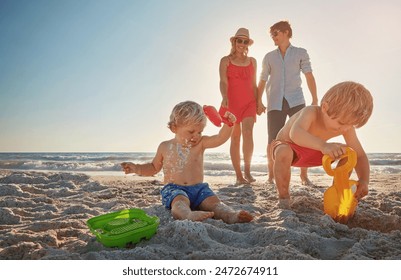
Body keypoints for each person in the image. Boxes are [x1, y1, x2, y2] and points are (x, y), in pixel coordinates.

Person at [121, 101, 253, 224]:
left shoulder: (201, 143)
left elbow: (220, 138)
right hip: (175, 189)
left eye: (200, 131)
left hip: (199, 189)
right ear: (174, 128)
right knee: (179, 204)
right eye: (191, 131)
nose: (196, 136)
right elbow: (153, 167)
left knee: (215, 203)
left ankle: (230, 215)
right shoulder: (165, 147)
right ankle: (188, 215)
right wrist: (136, 168)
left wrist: (228, 125)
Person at [270, 81, 373, 208]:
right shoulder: (310, 112)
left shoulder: (346, 127)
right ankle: (284, 197)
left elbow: (360, 155)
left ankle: (337, 191)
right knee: (283, 151)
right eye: (341, 123)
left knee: (349, 152)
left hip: (315, 152)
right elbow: (295, 134)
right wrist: (324, 146)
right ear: (325, 108)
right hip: (290, 147)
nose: (345, 129)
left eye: (350, 125)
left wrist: (364, 180)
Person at [257, 20, 318, 185]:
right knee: (273, 139)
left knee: (304, 136)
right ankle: (271, 176)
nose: (273, 37)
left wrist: (314, 99)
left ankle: (304, 176)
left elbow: (309, 76)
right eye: (272, 35)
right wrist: (259, 101)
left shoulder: (300, 53)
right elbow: (262, 80)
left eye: (275, 33)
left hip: (297, 100)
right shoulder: (269, 57)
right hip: (275, 102)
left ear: (285, 32)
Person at [219, 27, 258, 185]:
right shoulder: (225, 61)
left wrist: (259, 101)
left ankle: (248, 171)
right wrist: (224, 97)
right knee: (235, 138)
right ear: (234, 42)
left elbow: (254, 84)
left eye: (245, 41)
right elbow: (223, 81)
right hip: (232, 102)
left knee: (248, 133)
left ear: (248, 44)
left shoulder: (253, 61)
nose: (242, 44)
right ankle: (238, 175)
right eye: (239, 40)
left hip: (249, 102)